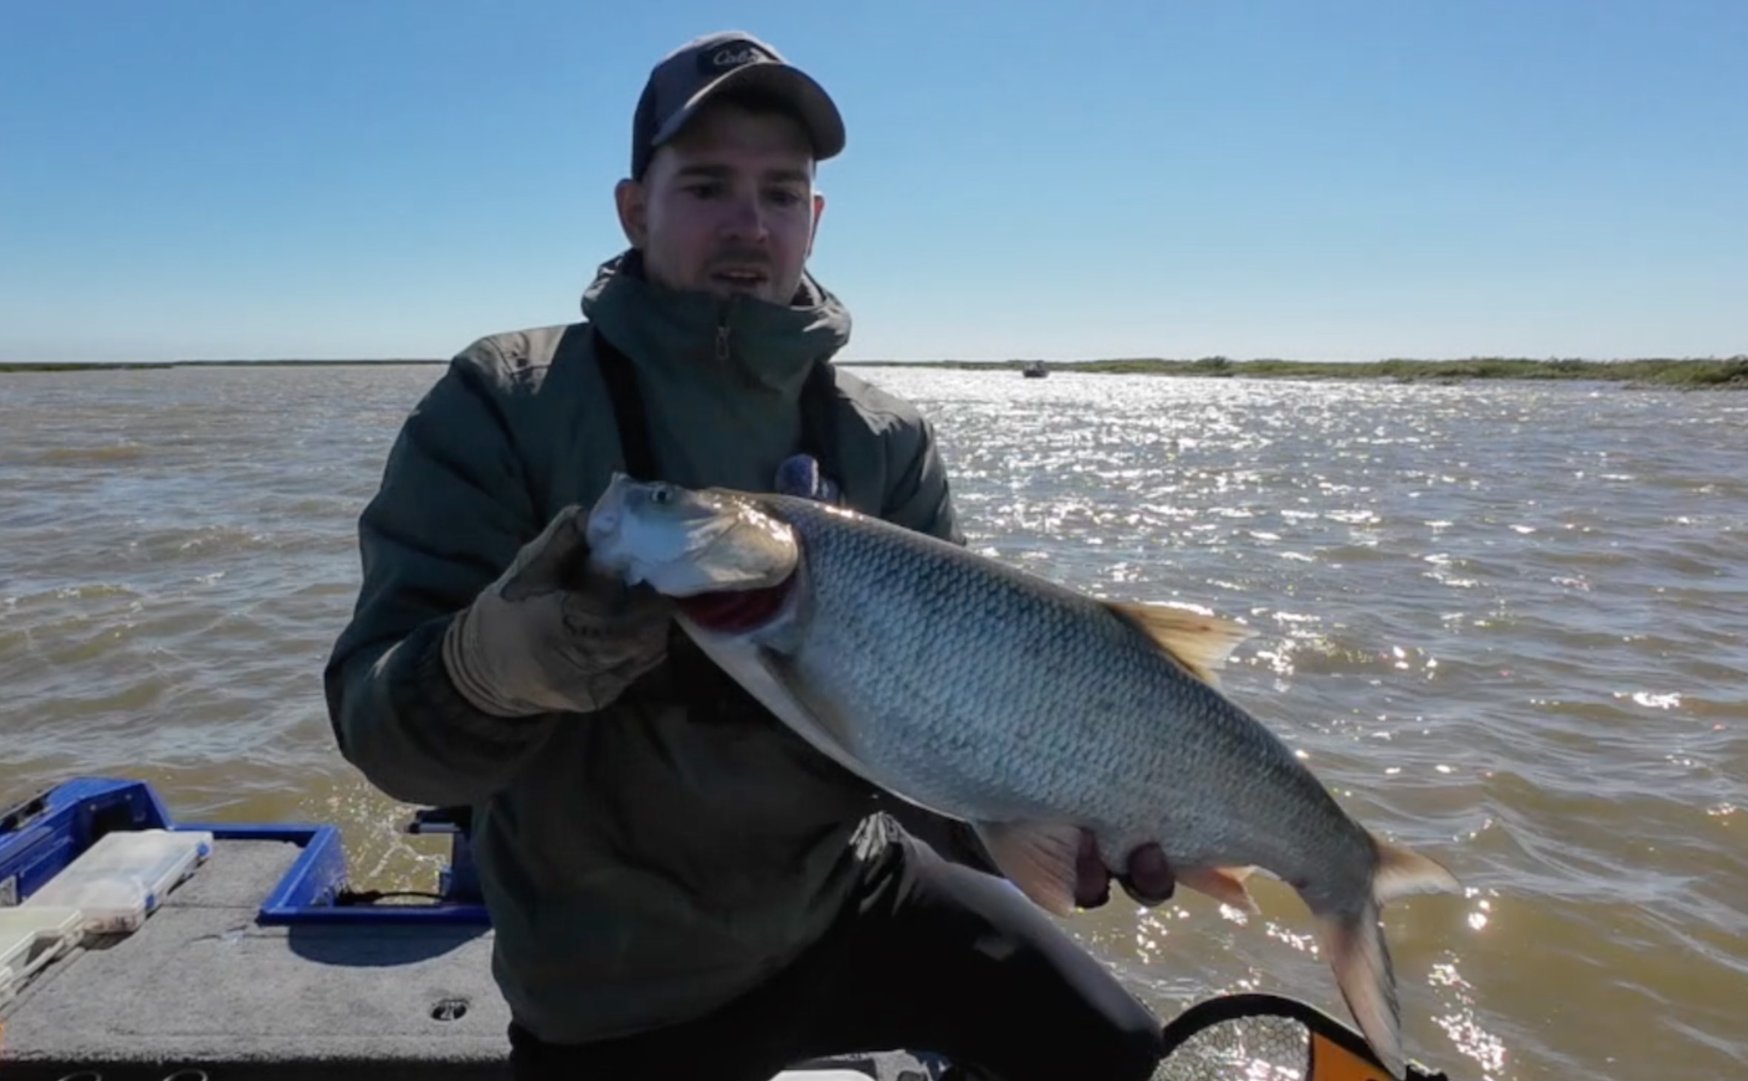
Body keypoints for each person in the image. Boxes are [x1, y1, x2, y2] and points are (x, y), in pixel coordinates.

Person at [324, 30, 1176, 1081]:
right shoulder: (506, 401)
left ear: (814, 218)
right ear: (634, 209)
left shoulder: (883, 439)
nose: (749, 222)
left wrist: (1053, 813)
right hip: (614, 976)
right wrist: (485, 670)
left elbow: (933, 739)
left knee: (1111, 1047)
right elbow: (383, 737)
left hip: (847, 891)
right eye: (707, 185)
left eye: (780, 192)